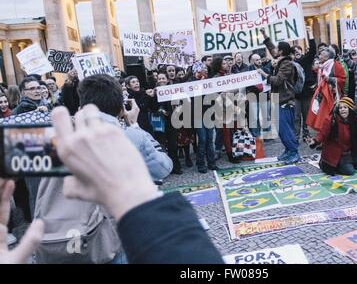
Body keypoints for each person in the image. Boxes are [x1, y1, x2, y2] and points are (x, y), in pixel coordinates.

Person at [0, 105, 224, 264]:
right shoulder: (106, 138)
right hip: (95, 241)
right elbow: (163, 166)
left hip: (62, 240)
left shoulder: (55, 146)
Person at [77, 74, 173, 182]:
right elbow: (164, 167)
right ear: (121, 109)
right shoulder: (133, 136)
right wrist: (134, 126)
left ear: (81, 107)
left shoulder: (62, 140)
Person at [257, 28, 300, 164]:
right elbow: (271, 48)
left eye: (278, 49)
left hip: (285, 101)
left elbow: (278, 80)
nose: (275, 50)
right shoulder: (280, 60)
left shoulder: (286, 64)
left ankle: (294, 152)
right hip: (278, 99)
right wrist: (265, 35)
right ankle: (288, 150)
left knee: (286, 129)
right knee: (281, 130)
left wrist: (264, 75)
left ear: (281, 51)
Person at [147, 72, 182, 174]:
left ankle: (176, 166)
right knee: (162, 145)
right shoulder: (154, 92)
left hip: (171, 121)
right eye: (159, 79)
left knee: (173, 145)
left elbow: (177, 106)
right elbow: (152, 107)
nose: (161, 80)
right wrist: (153, 97)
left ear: (167, 80)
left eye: (163, 78)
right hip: (159, 123)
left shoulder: (173, 91)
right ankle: (165, 168)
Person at [306, 47, 346, 132]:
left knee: (328, 118)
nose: (319, 56)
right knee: (322, 117)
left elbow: (342, 79)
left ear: (326, 57)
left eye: (321, 55)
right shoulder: (322, 67)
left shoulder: (336, 65)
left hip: (331, 97)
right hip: (322, 96)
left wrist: (330, 79)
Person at [293, 26, 317, 142]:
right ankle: (296, 135)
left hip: (306, 93)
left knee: (306, 116)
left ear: (302, 52)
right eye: (294, 51)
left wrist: (310, 33)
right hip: (295, 95)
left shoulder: (306, 59)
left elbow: (313, 50)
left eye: (298, 50)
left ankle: (306, 134)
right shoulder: (290, 64)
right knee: (296, 117)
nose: (297, 52)